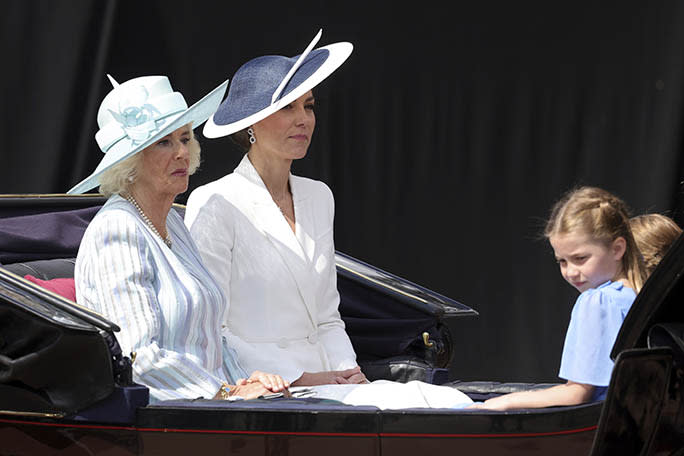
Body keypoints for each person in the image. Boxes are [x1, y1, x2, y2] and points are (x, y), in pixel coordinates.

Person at [68, 74, 289, 403]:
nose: (182, 152)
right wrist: (225, 392)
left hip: (206, 410)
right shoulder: (117, 228)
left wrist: (241, 381)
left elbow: (210, 337)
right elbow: (136, 354)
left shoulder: (174, 221)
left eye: (185, 138)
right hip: (156, 420)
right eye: (164, 142)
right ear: (129, 161)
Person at [184, 30, 366, 387]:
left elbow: (327, 318)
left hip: (332, 382)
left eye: (309, 106)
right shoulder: (215, 201)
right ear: (252, 122)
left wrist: (349, 372)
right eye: (287, 107)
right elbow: (212, 326)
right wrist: (302, 379)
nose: (304, 119)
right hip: (268, 387)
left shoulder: (319, 197)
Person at [469, 186, 648, 411]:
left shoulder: (597, 301)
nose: (570, 272)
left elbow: (578, 393)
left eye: (580, 258)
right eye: (562, 261)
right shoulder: (639, 295)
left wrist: (503, 402)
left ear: (617, 248)